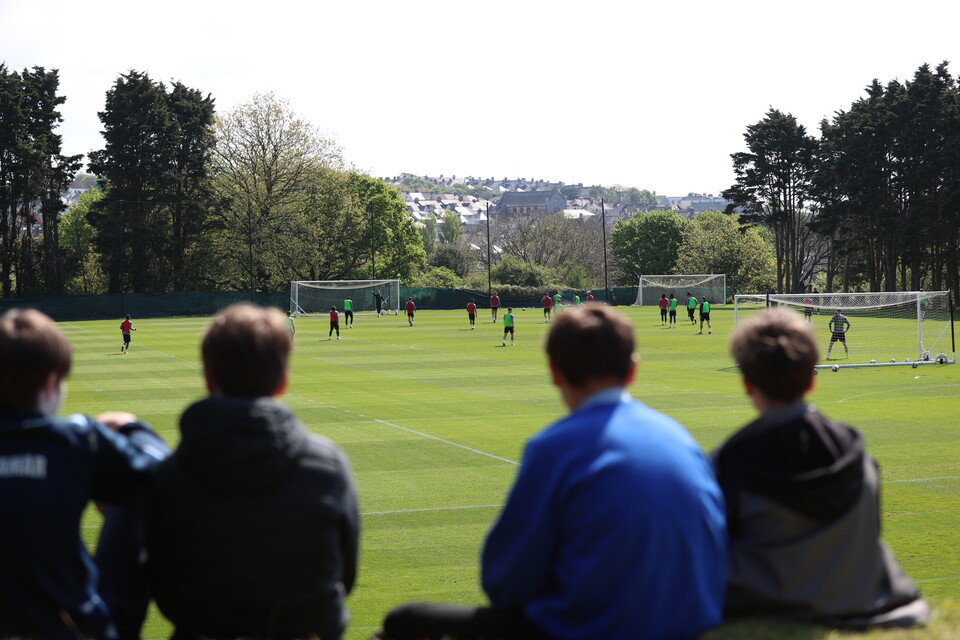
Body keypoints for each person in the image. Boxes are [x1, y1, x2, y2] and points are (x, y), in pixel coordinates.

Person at [378, 306, 727, 640]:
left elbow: (505, 579)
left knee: (404, 621)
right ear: (633, 370)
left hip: (596, 630)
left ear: (555, 372)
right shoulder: (681, 439)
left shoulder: (556, 446)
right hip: (690, 626)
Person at [146, 303, 359, 640]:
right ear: (283, 380)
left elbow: (164, 585)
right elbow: (343, 575)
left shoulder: (170, 474)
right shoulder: (328, 465)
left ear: (208, 379)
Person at [712, 308, 929, 627]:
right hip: (859, 602)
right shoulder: (859, 458)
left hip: (766, 608)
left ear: (747, 384)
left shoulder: (729, 463)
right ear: (811, 379)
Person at [0, 308, 169, 640]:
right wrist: (129, 426)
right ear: (51, 384)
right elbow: (157, 468)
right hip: (67, 620)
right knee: (137, 498)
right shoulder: (77, 440)